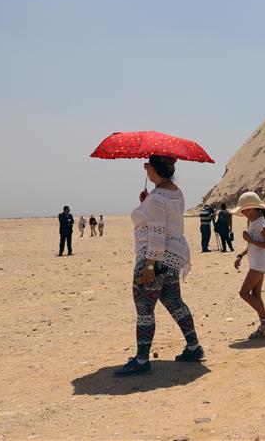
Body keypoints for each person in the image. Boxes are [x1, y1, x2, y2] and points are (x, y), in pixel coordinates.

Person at [114, 155, 203, 376]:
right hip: (173, 257)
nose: (145, 170)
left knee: (145, 308)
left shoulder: (156, 198)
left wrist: (150, 266)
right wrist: (145, 201)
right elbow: (164, 220)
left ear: (153, 168)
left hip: (154, 259)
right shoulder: (175, 192)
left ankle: (142, 360)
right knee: (174, 302)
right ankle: (193, 347)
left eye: (146, 166)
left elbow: (157, 233)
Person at [231, 191, 265, 339]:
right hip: (255, 262)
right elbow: (252, 245)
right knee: (256, 295)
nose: (243, 212)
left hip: (260, 263)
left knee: (244, 293)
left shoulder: (262, 223)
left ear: (255, 208)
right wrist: (240, 255)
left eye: (245, 209)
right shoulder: (252, 222)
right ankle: (264, 326)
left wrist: (249, 239)